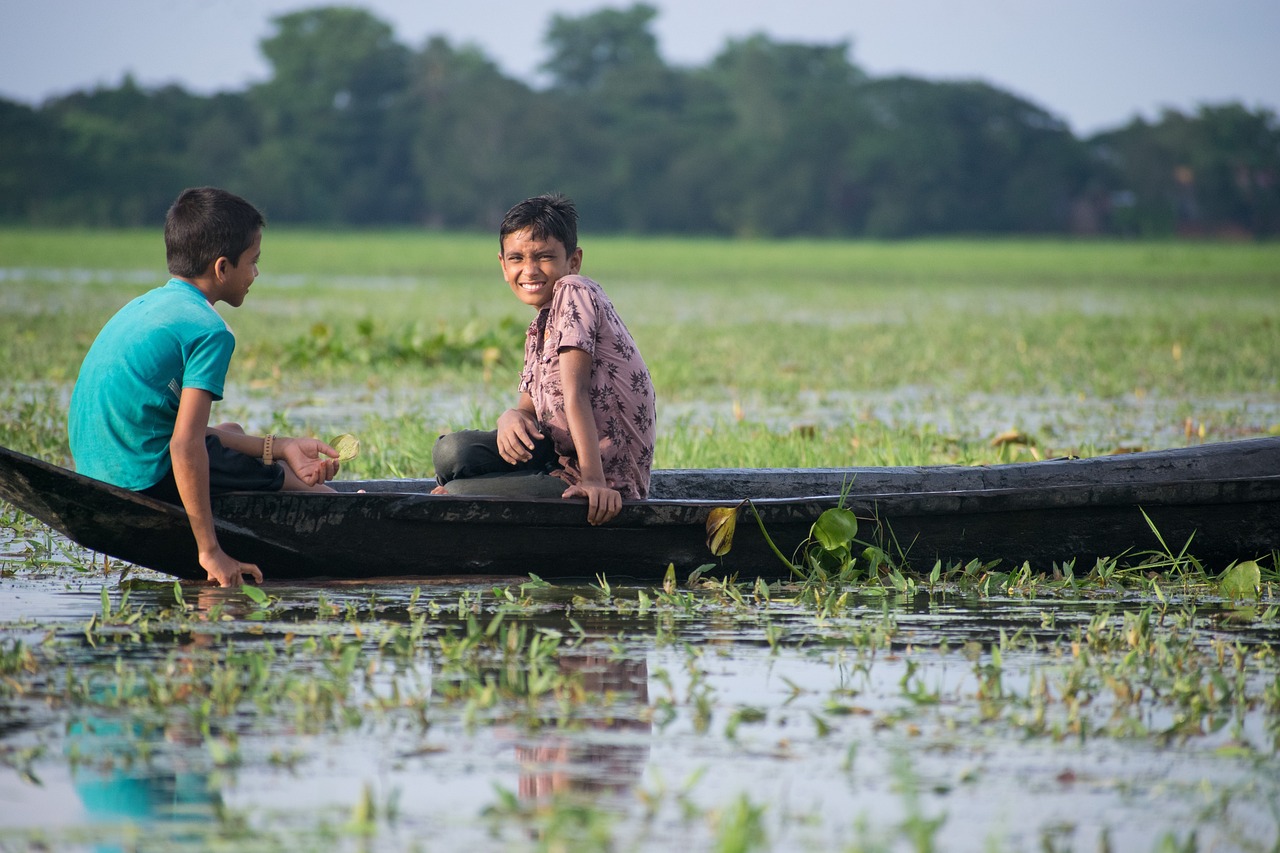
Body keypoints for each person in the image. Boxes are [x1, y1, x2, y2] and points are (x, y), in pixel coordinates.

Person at [67, 186, 340, 587]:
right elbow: (184, 445)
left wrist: (281, 446)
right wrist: (210, 552)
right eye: (253, 262)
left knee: (231, 434)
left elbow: (178, 430)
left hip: (97, 464)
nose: (256, 274)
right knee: (268, 474)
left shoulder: (147, 304)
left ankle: (280, 461)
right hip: (140, 474)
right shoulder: (209, 331)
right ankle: (341, 502)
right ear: (222, 268)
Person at [431, 193, 656, 525]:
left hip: (602, 477)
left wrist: (594, 482)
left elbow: (575, 392)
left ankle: (456, 495)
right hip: (558, 460)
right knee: (450, 452)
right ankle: (461, 490)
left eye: (545, 257)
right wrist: (510, 417)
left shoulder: (574, 291)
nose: (529, 270)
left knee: (459, 494)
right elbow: (528, 409)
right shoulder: (540, 327)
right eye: (517, 258)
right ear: (503, 265)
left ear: (573, 261)